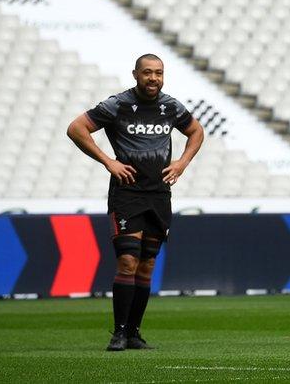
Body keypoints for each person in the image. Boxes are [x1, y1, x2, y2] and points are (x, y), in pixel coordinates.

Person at [67, 54, 204, 351]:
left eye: (158, 73)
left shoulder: (170, 106)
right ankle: (118, 332)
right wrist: (108, 161)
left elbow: (196, 131)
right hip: (127, 194)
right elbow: (76, 128)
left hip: (159, 194)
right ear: (135, 74)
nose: (153, 78)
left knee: (147, 266)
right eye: (147, 73)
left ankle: (134, 333)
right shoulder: (117, 105)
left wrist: (182, 162)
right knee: (128, 261)